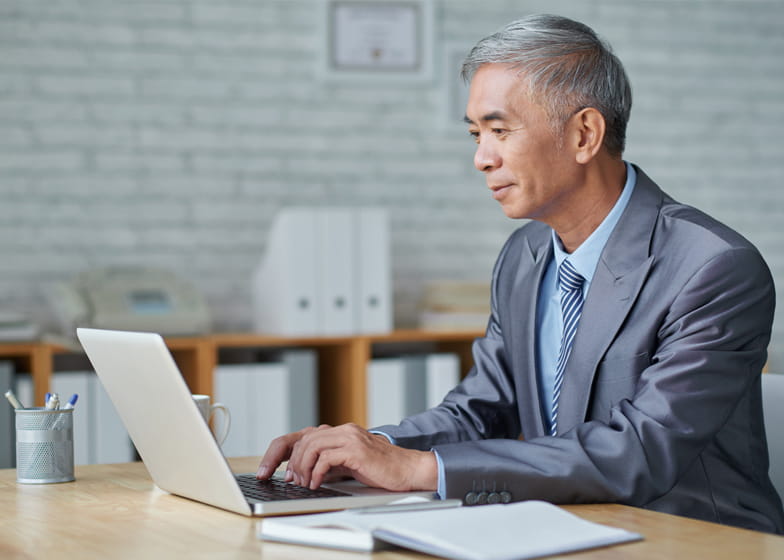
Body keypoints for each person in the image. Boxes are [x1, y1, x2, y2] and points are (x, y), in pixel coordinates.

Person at [257, 14, 784, 533]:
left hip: (693, 539)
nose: (481, 158)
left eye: (499, 130)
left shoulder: (714, 268)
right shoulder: (524, 255)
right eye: (475, 134)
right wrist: (371, 447)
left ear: (583, 134)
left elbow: (639, 451)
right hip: (561, 525)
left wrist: (421, 470)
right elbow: (481, 412)